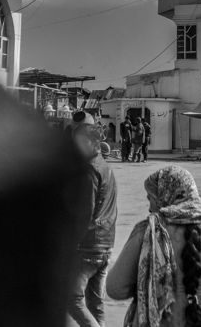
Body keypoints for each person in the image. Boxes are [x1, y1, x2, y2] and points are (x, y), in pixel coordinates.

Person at [107, 165, 201, 327]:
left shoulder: (148, 231)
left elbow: (115, 288)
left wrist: (147, 284)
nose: (149, 207)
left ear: (165, 195)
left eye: (151, 198)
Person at [70, 122, 119, 327]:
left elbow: (85, 211)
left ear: (94, 143)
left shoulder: (89, 170)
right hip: (106, 242)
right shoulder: (105, 166)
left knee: (71, 298)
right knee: (94, 302)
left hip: (89, 243)